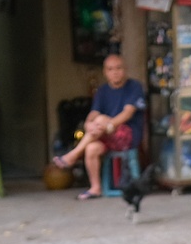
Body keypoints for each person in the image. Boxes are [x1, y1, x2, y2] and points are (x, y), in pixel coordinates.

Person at [55, 53, 146, 200]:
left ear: (125, 69)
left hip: (128, 135)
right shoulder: (102, 91)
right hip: (106, 135)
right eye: (110, 69)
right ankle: (95, 188)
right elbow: (93, 113)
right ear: (105, 72)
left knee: (101, 118)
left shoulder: (134, 87)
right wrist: (89, 124)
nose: (115, 72)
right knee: (91, 148)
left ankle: (73, 154)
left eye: (118, 68)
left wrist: (107, 123)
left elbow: (127, 114)